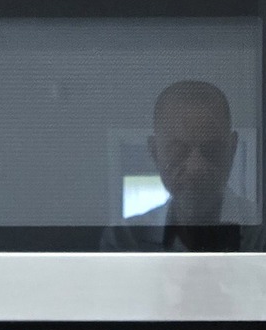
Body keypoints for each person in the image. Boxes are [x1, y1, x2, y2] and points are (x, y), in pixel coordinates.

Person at [105, 79, 246, 251]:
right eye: (178, 151)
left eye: (211, 149)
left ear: (232, 149)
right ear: (155, 152)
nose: (196, 167)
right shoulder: (123, 238)